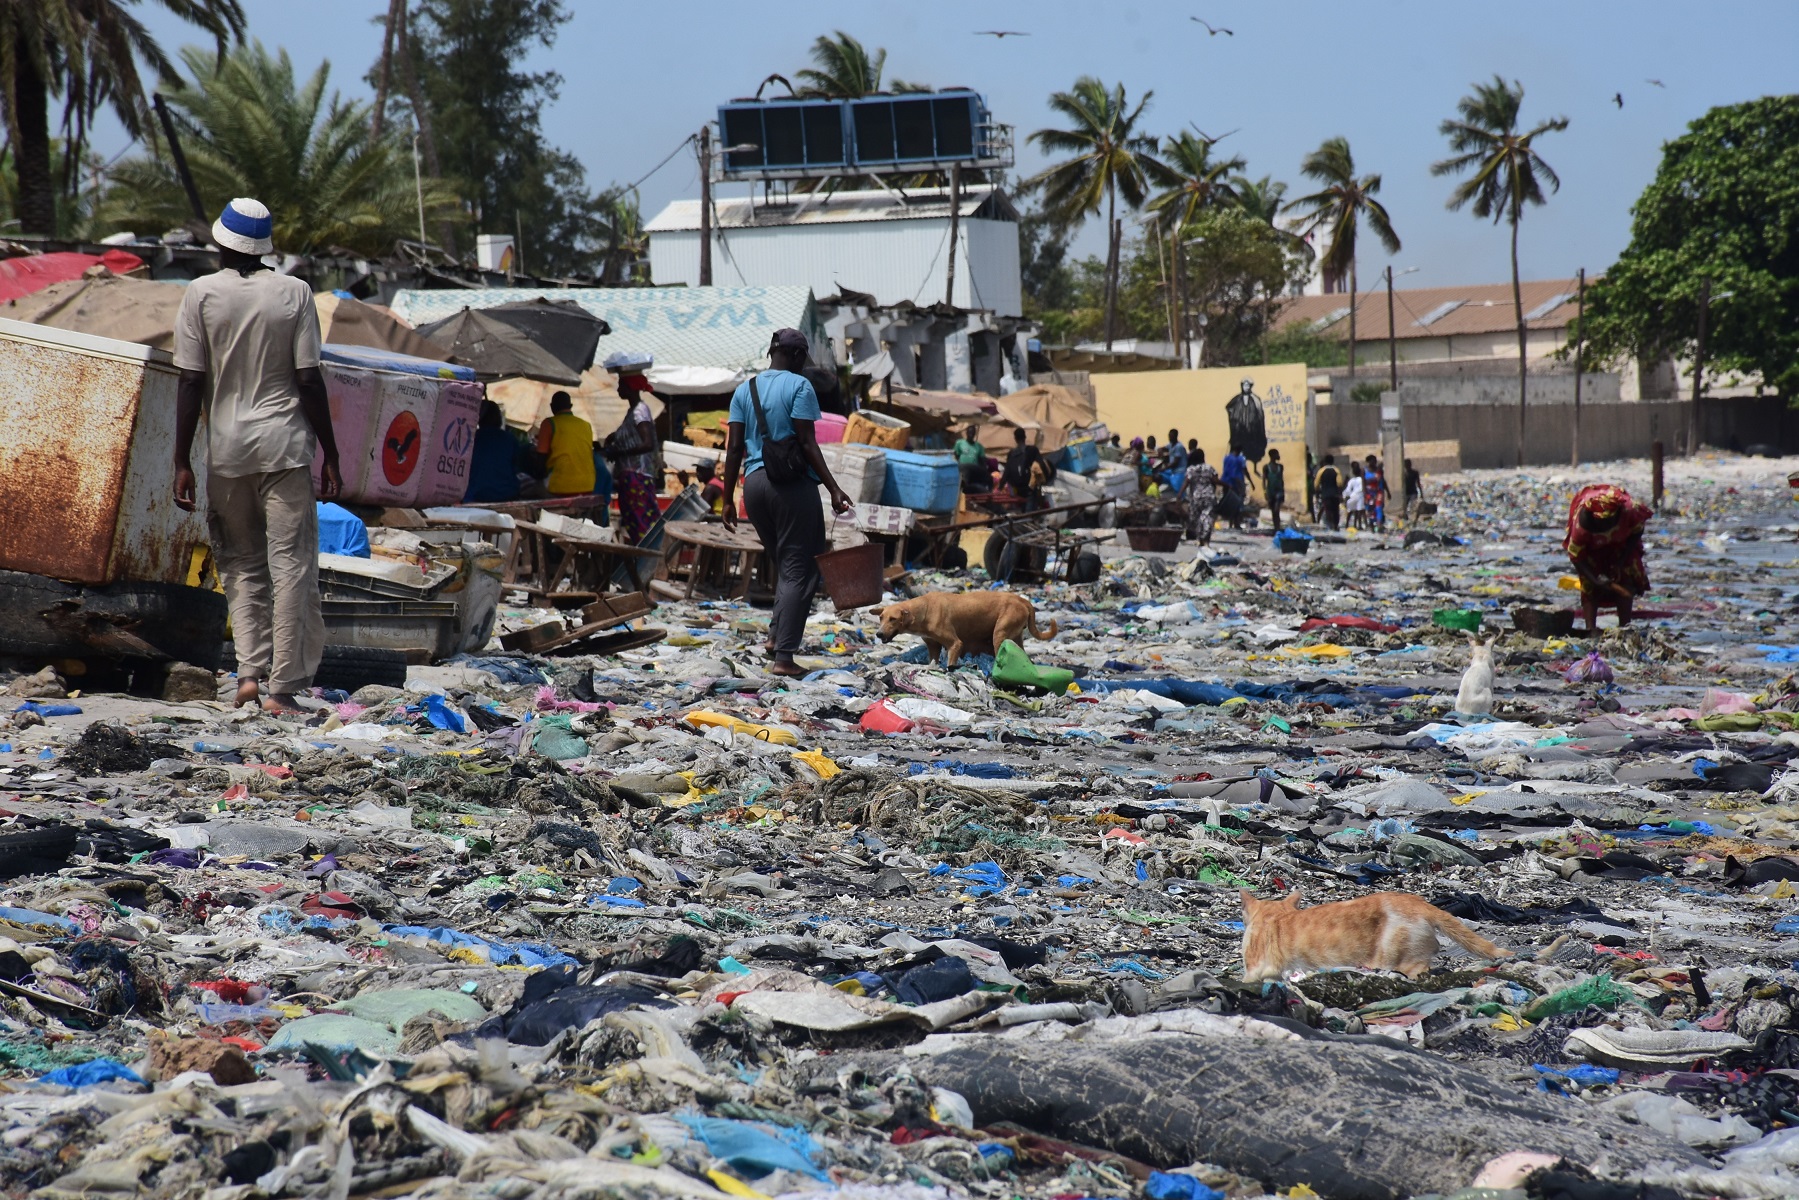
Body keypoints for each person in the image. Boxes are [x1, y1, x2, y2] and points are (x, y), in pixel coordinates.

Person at [172, 197, 337, 714]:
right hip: (284, 447)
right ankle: (281, 690)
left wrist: (181, 460)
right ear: (263, 247)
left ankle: (247, 676)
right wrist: (331, 451)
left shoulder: (200, 294)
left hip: (226, 453)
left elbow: (190, 381)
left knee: (241, 565)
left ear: (221, 242)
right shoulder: (295, 293)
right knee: (291, 567)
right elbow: (309, 379)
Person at [720, 329, 854, 678]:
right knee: (800, 569)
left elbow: (733, 449)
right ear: (796, 356)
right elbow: (807, 443)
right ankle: (784, 657)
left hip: (754, 487)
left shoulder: (744, 389)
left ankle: (775, 636)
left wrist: (727, 499)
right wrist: (834, 488)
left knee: (785, 564)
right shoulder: (799, 386)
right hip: (790, 486)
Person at [1564, 484, 1651, 632]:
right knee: (1589, 586)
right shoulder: (1582, 525)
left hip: (1621, 543)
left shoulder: (1630, 511)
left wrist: (1620, 562)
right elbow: (1576, 556)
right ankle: (1590, 629)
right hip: (1591, 549)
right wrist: (1594, 580)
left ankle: (1625, 627)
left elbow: (1637, 532)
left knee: (1626, 577)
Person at [603, 375, 659, 543]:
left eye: (621, 386)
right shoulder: (632, 411)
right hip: (631, 478)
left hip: (637, 477)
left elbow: (647, 443)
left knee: (642, 524)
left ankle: (648, 555)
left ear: (631, 388)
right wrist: (614, 437)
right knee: (635, 523)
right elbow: (632, 433)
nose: (618, 390)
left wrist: (619, 452)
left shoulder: (640, 410)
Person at [534, 391, 595, 498]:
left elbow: (541, 459)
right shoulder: (586, 425)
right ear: (570, 406)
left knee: (536, 487)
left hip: (561, 485)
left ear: (552, 407)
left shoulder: (549, 424)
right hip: (588, 484)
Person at [464, 400, 522, 503]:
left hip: (475, 495)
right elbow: (517, 467)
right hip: (506, 494)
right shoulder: (510, 439)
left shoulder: (470, 439)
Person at [1001, 427, 1055, 507]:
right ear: (1025, 437)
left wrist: (1000, 487)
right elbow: (1040, 466)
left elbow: (1007, 472)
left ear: (1015, 439)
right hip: (1030, 488)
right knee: (1030, 509)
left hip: (1017, 488)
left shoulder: (1011, 454)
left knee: (1023, 508)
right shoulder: (1032, 450)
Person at [1181, 448, 1221, 545]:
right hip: (1208, 496)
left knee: (1197, 518)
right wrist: (1227, 485)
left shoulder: (1191, 469)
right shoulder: (1209, 468)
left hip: (1195, 498)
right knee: (1207, 517)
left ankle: (1200, 539)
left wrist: (1179, 495)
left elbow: (1186, 482)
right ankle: (1206, 539)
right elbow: (1215, 481)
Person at [1221, 443, 1250, 530]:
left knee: (1230, 504)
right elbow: (1239, 473)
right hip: (1236, 483)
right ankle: (1236, 523)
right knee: (1238, 503)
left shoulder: (1226, 458)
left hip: (1226, 482)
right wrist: (1244, 484)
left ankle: (1231, 523)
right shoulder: (1239, 459)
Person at [953, 425, 990, 494]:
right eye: (969, 433)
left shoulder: (979, 446)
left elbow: (982, 460)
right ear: (966, 433)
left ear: (974, 434)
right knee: (963, 484)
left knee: (973, 487)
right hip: (963, 469)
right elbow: (956, 455)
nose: (971, 435)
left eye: (973, 433)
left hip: (973, 470)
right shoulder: (959, 443)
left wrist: (985, 472)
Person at [1313, 454, 1343, 531]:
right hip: (1335, 494)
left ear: (1325, 461)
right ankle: (1336, 525)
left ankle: (1330, 525)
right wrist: (1340, 494)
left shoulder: (1321, 471)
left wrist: (1317, 494)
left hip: (1325, 494)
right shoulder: (1336, 470)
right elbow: (1339, 483)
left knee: (1328, 510)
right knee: (1335, 510)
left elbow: (1316, 484)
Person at [1263, 447, 1287, 531]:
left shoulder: (1280, 467)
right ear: (1272, 455)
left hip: (1279, 491)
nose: (1278, 455)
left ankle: (1277, 527)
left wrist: (1283, 491)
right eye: (1276, 454)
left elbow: (1281, 479)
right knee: (1273, 511)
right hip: (1271, 491)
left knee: (1276, 509)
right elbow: (1264, 480)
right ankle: (1276, 527)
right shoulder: (1266, 467)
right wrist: (1265, 492)